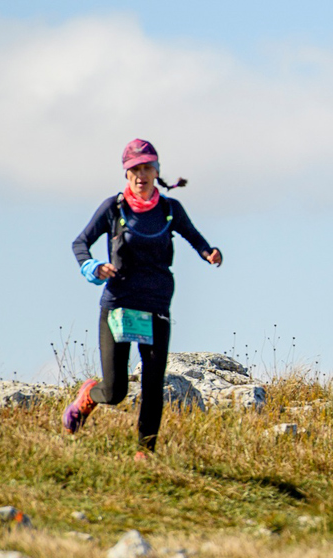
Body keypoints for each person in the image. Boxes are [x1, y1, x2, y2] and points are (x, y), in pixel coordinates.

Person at [63, 138, 222, 456]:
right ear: (127, 175)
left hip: (156, 306)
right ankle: (90, 396)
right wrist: (93, 267)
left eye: (147, 167)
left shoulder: (169, 210)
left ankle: (144, 453)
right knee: (117, 389)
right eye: (134, 169)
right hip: (118, 307)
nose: (141, 174)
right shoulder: (113, 208)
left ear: (156, 171)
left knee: (152, 385)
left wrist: (210, 253)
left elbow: (196, 238)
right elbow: (80, 243)